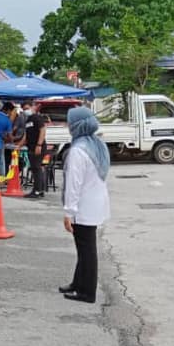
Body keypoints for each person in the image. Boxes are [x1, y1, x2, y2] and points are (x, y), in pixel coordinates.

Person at [59, 107, 110, 303]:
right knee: (84, 247)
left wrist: (68, 212)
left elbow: (74, 183)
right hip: (96, 203)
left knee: (87, 249)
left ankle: (87, 291)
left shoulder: (78, 150)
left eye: (69, 122)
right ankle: (78, 282)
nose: (68, 126)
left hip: (83, 206)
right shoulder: (97, 144)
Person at [23, 101, 47, 198]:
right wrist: (19, 145)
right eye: (24, 109)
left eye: (27, 108)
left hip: (37, 147)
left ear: (33, 107)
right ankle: (39, 190)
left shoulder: (37, 118)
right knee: (35, 168)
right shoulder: (28, 120)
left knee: (36, 168)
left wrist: (39, 145)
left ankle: (37, 190)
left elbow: (42, 130)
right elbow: (26, 136)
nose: (26, 111)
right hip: (31, 146)